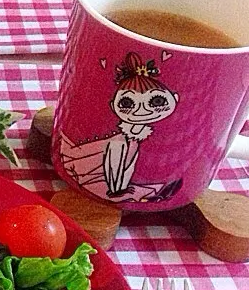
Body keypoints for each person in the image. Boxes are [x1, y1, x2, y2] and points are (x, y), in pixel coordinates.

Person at [59, 52, 181, 204]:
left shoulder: (134, 137)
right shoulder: (119, 141)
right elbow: (113, 168)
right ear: (113, 105)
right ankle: (119, 193)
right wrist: (117, 190)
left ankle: (126, 191)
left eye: (156, 101)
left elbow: (127, 165)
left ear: (175, 99)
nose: (141, 111)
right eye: (127, 104)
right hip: (93, 170)